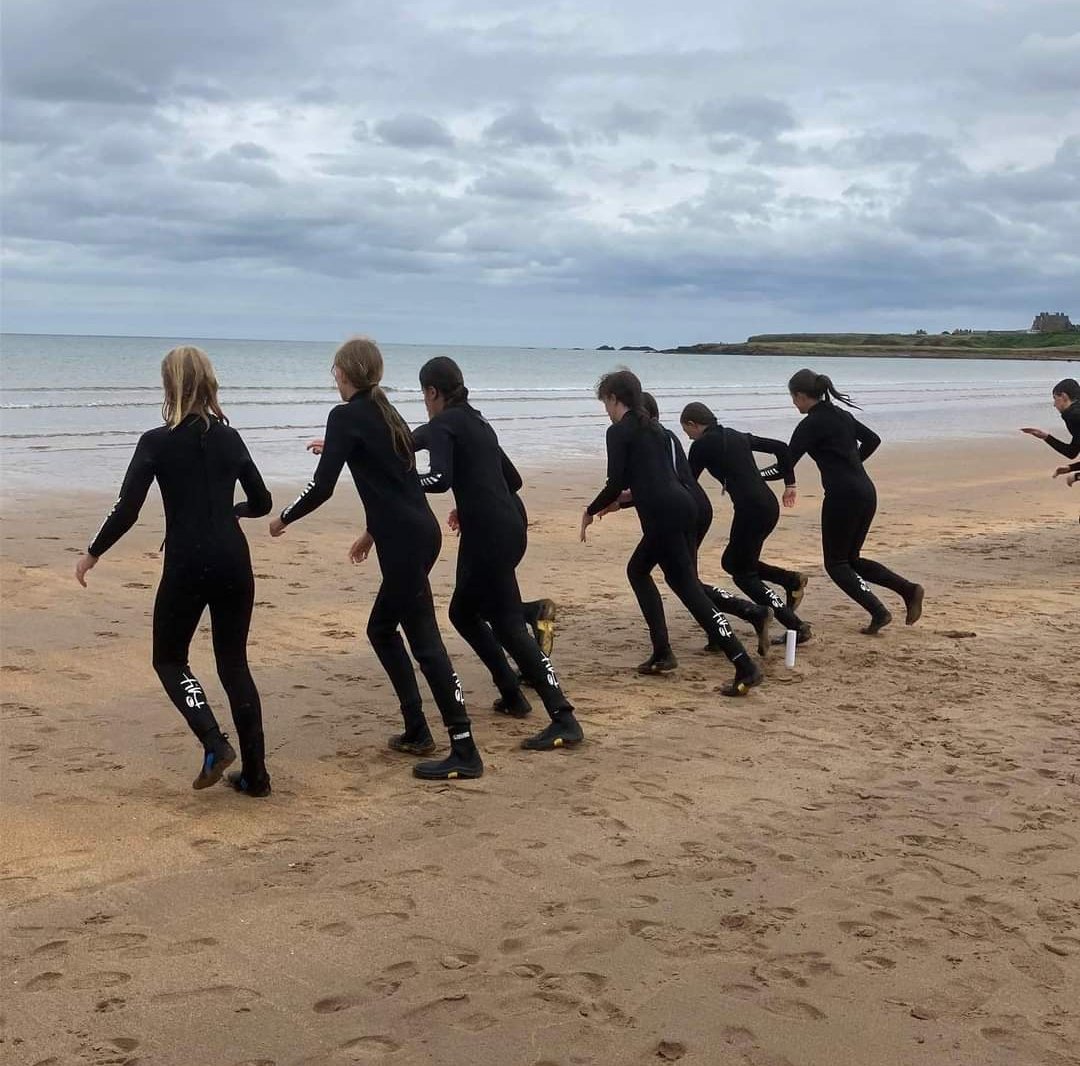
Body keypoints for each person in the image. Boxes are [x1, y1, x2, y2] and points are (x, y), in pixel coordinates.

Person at [272, 337, 483, 780]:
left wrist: (285, 518)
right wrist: (371, 534)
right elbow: (394, 482)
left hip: (405, 540)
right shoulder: (386, 412)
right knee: (382, 629)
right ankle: (416, 730)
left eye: (335, 372)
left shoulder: (347, 415)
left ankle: (463, 747)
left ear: (343, 374)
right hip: (414, 533)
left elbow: (324, 486)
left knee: (425, 642)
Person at [74, 345, 272, 797]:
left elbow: (127, 508)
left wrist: (92, 552)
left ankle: (212, 740)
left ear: (169, 386)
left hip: (187, 561)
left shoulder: (156, 442)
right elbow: (262, 502)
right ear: (209, 382)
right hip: (233, 559)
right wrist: (234, 512)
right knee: (234, 663)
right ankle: (257, 777)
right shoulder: (231, 438)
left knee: (169, 658)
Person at [412, 356, 584, 751]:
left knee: (507, 625)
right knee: (464, 613)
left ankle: (563, 716)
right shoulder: (477, 421)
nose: (425, 402)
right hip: (509, 526)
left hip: (488, 534)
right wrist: (472, 501)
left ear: (433, 392)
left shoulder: (445, 423)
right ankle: (511, 692)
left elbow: (438, 479)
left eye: (425, 394)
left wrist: (400, 482)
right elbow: (513, 479)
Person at [582, 370, 762, 695]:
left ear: (613, 398)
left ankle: (743, 664)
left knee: (687, 587)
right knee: (639, 571)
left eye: (605, 402)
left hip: (663, 513)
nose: (605, 410)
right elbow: (647, 477)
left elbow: (616, 482)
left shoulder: (620, 432)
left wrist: (590, 510)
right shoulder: (657, 429)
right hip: (683, 506)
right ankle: (663, 653)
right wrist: (619, 503)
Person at [782, 369, 924, 635]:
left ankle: (879, 612)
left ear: (801, 395)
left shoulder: (811, 423)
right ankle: (909, 590)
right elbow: (873, 439)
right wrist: (853, 464)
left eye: (793, 398)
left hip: (842, 496)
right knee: (851, 559)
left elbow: (786, 462)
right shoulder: (841, 416)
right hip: (866, 491)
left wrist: (752, 475)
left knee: (836, 564)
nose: (793, 403)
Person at [679, 401, 811, 644]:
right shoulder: (737, 435)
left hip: (751, 510)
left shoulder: (701, 446)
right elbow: (781, 448)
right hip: (768, 506)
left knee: (742, 573)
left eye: (687, 432)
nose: (688, 437)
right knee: (734, 562)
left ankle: (794, 625)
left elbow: (688, 483)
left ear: (692, 424)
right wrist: (790, 484)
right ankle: (789, 580)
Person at [1021, 378, 1080, 461]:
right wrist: (1045, 436)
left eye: (1055, 398)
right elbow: (1071, 452)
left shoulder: (1072, 415)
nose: (1054, 404)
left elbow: (1071, 453)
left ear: (1064, 396)